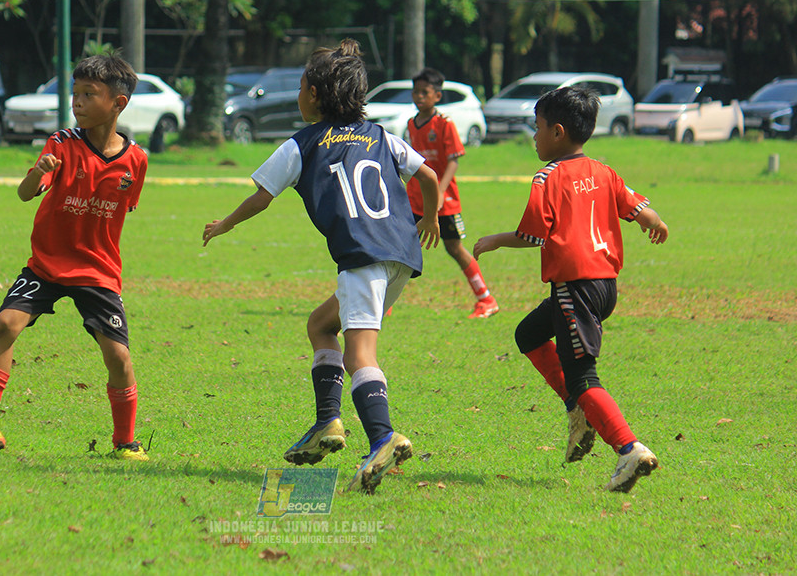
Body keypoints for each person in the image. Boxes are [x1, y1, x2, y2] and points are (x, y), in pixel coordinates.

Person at [202, 39, 441, 494]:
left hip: (362, 257)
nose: (298, 95)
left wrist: (225, 224)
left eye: (300, 87)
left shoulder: (303, 144)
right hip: (402, 256)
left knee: (359, 353)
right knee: (320, 325)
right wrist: (429, 218)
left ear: (313, 95)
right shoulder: (380, 135)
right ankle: (328, 422)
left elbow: (261, 197)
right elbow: (428, 175)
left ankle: (383, 436)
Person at [0, 54, 150, 461]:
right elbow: (26, 193)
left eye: (89, 94)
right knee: (6, 324)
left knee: (118, 357)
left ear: (118, 103)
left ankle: (125, 443)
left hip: (97, 271)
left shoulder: (136, 160)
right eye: (75, 93)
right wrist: (37, 172)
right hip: (47, 264)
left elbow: (124, 206)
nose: (77, 101)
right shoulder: (61, 144)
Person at [473, 86, 669, 493]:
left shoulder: (547, 177)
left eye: (538, 127)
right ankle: (577, 410)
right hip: (604, 286)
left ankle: (629, 449)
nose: (534, 135)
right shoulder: (603, 171)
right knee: (528, 334)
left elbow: (533, 235)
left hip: (574, 289)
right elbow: (639, 210)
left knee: (583, 377)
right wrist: (654, 221)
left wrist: (494, 240)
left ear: (558, 132)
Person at [405, 67, 498, 319]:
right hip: (415, 199)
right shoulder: (411, 124)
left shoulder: (444, 124)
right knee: (402, 245)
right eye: (415, 92)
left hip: (443, 201)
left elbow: (453, 161)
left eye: (424, 92)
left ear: (437, 96)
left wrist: (439, 191)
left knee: (454, 248)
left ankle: (486, 298)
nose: (419, 96)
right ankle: (384, 302)